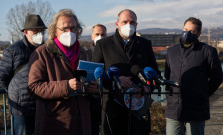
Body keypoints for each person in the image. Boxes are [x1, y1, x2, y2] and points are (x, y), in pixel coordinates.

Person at [28, 9, 98, 135]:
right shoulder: (41, 53)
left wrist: (93, 88)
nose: (69, 32)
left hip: (82, 123)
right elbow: (34, 88)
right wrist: (66, 86)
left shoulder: (83, 53)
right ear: (55, 30)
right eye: (64, 29)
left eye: (73, 28)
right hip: (55, 123)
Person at [92, 9, 160, 135]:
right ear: (117, 24)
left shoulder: (145, 44)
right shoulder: (103, 44)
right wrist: (114, 82)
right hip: (113, 109)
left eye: (132, 22)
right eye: (125, 21)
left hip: (138, 107)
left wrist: (147, 88)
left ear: (136, 25)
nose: (129, 25)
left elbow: (155, 73)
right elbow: (95, 74)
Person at [164, 17, 222, 135]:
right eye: (185, 29)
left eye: (192, 31)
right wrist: (169, 95)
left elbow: (217, 77)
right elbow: (167, 76)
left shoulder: (208, 51)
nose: (187, 33)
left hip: (196, 109)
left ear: (199, 34)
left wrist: (203, 93)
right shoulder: (171, 51)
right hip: (173, 108)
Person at [0, 14, 47, 135]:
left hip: (43, 106)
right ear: (26, 32)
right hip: (22, 109)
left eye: (42, 31)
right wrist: (15, 92)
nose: (40, 34)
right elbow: (2, 77)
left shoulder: (47, 49)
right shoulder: (13, 51)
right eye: (36, 31)